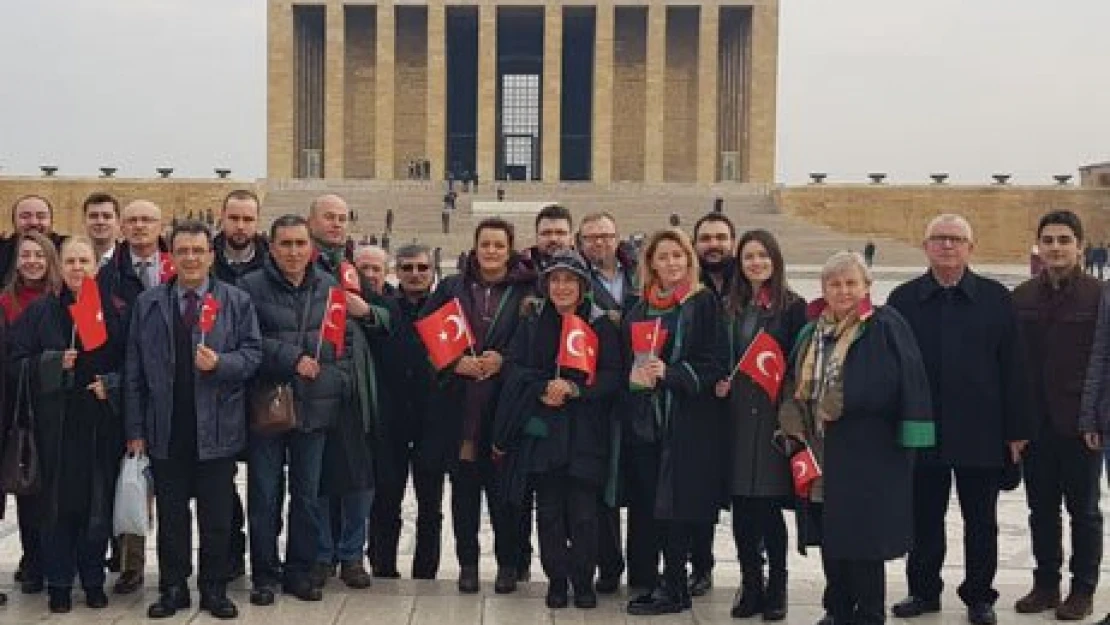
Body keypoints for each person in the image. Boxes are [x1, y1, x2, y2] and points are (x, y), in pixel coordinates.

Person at [886, 214, 1032, 625]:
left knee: (981, 521)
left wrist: (1017, 431)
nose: (947, 246)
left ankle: (979, 596)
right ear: (925, 246)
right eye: (939, 239)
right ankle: (923, 590)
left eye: (955, 239)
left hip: (981, 430)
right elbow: (891, 369)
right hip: (922, 429)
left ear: (971, 246)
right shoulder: (903, 299)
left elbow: (1014, 368)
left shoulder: (995, 299)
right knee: (924, 517)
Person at [778, 251, 935, 625]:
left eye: (851, 283)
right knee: (831, 533)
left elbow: (899, 381)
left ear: (867, 287)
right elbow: (794, 379)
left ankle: (868, 612)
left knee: (864, 540)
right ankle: (836, 608)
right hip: (821, 451)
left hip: (869, 451)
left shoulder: (883, 325)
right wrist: (791, 412)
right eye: (835, 284)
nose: (843, 290)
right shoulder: (811, 330)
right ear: (823, 289)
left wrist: (848, 400)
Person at [124, 221, 262, 619]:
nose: (190, 258)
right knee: (171, 517)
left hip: (217, 428)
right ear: (172, 257)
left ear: (210, 256)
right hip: (166, 428)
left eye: (198, 251)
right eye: (182, 251)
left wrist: (222, 363)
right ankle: (173, 587)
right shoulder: (149, 303)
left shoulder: (234, 301)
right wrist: (135, 430)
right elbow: (134, 372)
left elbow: (252, 355)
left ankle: (214, 588)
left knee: (216, 517)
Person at [493, 250, 621, 609]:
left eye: (569, 280)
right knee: (548, 513)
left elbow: (613, 377)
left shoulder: (601, 324)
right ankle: (557, 580)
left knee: (583, 514)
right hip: (544, 430)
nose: (562, 287)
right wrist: (542, 388)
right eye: (555, 280)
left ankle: (583, 580)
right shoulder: (533, 321)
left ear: (583, 285)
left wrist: (576, 390)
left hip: (585, 433)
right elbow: (514, 369)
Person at [239, 215, 357, 605]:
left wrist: (334, 381)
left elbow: (345, 348)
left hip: (315, 406)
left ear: (312, 248)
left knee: (306, 497)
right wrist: (292, 358)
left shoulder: (329, 288)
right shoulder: (249, 287)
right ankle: (264, 573)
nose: (293, 252)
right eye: (285, 244)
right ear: (271, 247)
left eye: (300, 244)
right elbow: (246, 341)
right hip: (269, 406)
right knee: (265, 496)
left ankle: (300, 572)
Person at [418, 217, 537, 594]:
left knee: (505, 496)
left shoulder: (525, 289)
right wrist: (455, 363)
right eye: (485, 244)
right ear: (475, 246)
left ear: (510, 248)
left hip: (503, 407)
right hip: (461, 408)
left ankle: (507, 564)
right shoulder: (453, 287)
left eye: (499, 245)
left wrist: (504, 359)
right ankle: (468, 564)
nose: (491, 251)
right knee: (465, 493)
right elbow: (428, 332)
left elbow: (534, 339)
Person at [7, 237, 119, 613]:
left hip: (97, 429)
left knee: (95, 507)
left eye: (84, 261)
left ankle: (92, 579)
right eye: (70, 261)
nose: (77, 268)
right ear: (61, 266)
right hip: (53, 428)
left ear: (95, 267)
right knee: (55, 510)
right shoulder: (40, 312)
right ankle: (58, 582)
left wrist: (111, 385)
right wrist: (53, 363)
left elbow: (131, 366)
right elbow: (14, 362)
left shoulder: (112, 311)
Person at [622, 228, 727, 616]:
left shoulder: (702, 303)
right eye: (662, 257)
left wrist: (672, 373)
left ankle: (677, 587)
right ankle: (665, 582)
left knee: (678, 506)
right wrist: (636, 381)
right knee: (654, 506)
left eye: (678, 256)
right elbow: (626, 361)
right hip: (647, 422)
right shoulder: (639, 309)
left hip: (688, 421)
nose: (671, 264)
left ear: (689, 260)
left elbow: (715, 363)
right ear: (650, 264)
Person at [1011, 210, 1103, 621]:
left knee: (1083, 511)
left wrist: (1098, 419)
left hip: (1081, 427)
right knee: (1040, 508)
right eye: (1048, 240)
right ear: (1038, 246)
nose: (1055, 247)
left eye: (1064, 240)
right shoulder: (1022, 297)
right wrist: (1015, 425)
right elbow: (1012, 365)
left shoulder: (1099, 296)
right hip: (1036, 425)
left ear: (1079, 246)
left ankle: (1082, 588)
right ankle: (1046, 583)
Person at [718, 230, 807, 622]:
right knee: (742, 508)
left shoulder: (792, 307)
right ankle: (750, 583)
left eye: (762, 255)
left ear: (775, 260)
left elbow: (799, 364)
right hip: (735, 416)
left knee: (769, 508)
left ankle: (777, 587)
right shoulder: (728, 306)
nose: (755, 263)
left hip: (770, 416)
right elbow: (722, 354)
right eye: (748, 256)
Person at [306, 194, 380, 591]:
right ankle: (321, 554)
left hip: (354, 388)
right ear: (311, 222)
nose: (336, 224)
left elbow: (387, 315)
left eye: (342, 218)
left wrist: (366, 311)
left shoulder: (353, 269)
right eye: (328, 217)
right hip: (315, 385)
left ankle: (352, 554)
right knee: (317, 476)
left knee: (359, 477)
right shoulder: (300, 264)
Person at [97, 199, 168, 594]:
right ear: (122, 228)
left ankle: (183, 564)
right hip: (128, 389)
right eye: (133, 220)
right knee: (131, 478)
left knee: (175, 485)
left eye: (148, 220)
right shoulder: (107, 277)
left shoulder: (181, 266)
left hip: (175, 393)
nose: (140, 226)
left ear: (161, 226)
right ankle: (130, 565)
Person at [368, 244, 444, 579]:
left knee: (430, 503)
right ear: (396, 273)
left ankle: (426, 570)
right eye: (408, 268)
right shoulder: (383, 307)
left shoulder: (445, 309)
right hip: (391, 418)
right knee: (386, 498)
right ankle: (383, 566)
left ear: (432, 273)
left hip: (432, 418)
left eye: (422, 268)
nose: (415, 275)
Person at [578, 211, 638, 593]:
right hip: (599, 395)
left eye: (606, 236)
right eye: (591, 238)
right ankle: (610, 565)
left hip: (642, 393)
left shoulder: (639, 277)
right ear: (581, 243)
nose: (599, 243)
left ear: (618, 238)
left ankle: (649, 567)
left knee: (645, 484)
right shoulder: (574, 281)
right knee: (603, 488)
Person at [0, 231, 62, 597]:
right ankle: (32, 560)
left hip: (55, 409)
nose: (33, 262)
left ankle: (55, 562)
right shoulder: (5, 302)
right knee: (26, 485)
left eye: (40, 255)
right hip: (15, 407)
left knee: (53, 488)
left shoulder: (63, 298)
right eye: (26, 255)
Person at [687, 212, 738, 597]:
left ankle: (760, 576)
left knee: (753, 497)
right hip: (700, 403)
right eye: (705, 238)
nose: (713, 244)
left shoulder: (751, 286)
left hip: (748, 407)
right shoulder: (688, 286)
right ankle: (700, 565)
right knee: (698, 491)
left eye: (720, 237)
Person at [0, 195, 67, 284]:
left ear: (51, 221)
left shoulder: (66, 247)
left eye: (41, 216)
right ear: (14, 221)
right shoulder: (2, 250)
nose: (33, 222)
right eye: (25, 216)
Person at [213, 190, 268, 284]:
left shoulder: (272, 261)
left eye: (248, 219)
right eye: (234, 218)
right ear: (222, 218)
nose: (240, 226)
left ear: (258, 221)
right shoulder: (204, 259)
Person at [81, 193, 120, 266]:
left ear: (118, 222)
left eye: (107, 216)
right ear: (84, 221)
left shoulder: (130, 260)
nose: (100, 221)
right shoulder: (71, 260)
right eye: (93, 216)